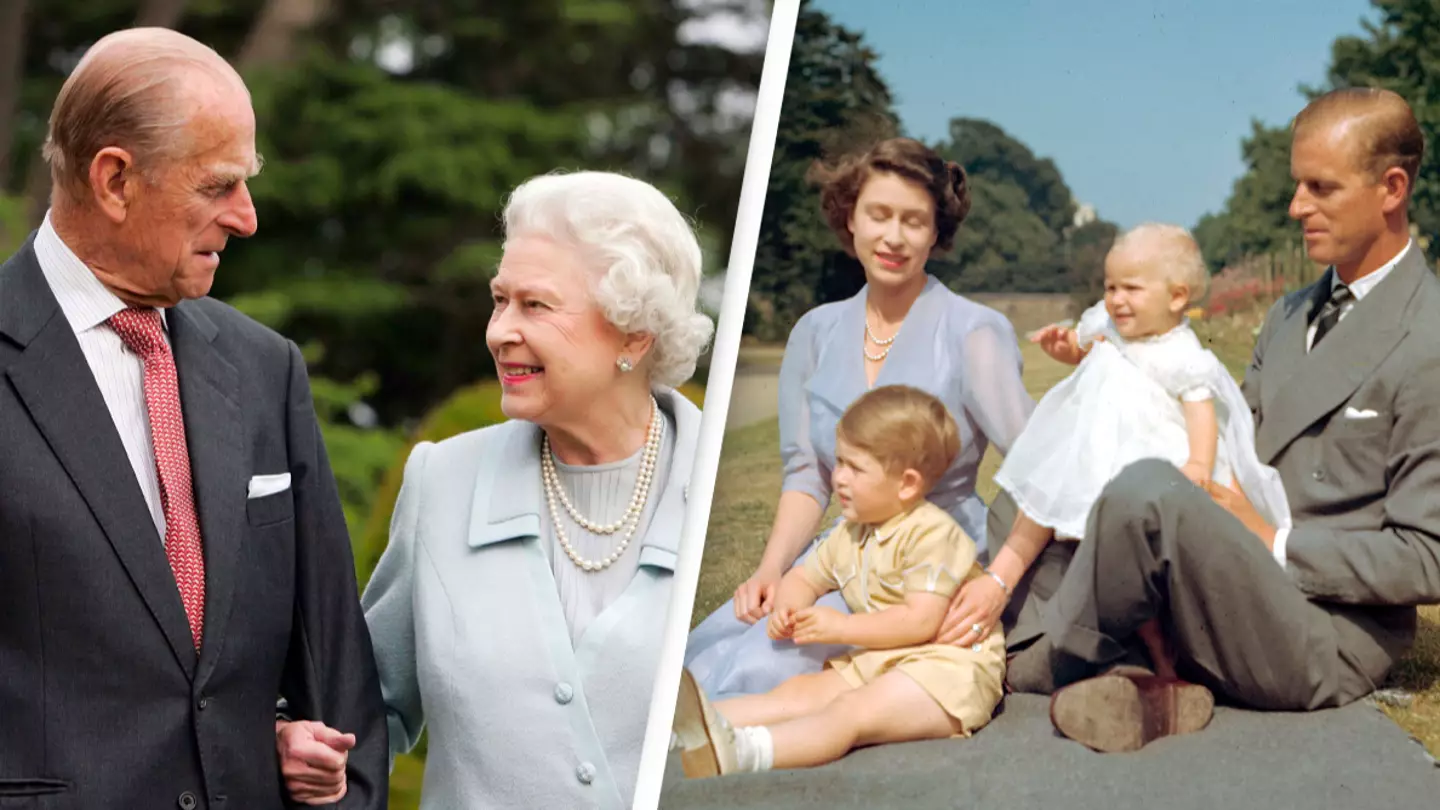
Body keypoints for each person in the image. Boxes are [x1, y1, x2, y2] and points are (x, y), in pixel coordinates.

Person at [0, 28, 387, 809]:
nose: (245, 218)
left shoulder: (264, 369)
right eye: (218, 187)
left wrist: (290, 744)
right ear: (115, 180)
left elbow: (335, 675)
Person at [998, 87, 1440, 754]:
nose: (1297, 208)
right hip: (1223, 571)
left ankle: (1034, 660)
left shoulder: (1429, 338)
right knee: (1032, 489)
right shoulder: (1290, 314)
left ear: (1392, 188)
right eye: (1298, 185)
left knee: (1142, 493)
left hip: (1320, 629)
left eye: (1320, 188)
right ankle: (1133, 673)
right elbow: (1225, 436)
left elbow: (1428, 558)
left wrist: (1271, 540)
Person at [277, 171, 714, 808]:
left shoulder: (721, 484)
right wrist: (298, 738)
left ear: (635, 334)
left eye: (535, 305)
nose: (499, 331)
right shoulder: (441, 482)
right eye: (498, 300)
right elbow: (361, 713)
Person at [684, 137, 1034, 699]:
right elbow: (806, 475)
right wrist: (771, 570)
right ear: (850, 218)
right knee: (720, 649)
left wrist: (1000, 582)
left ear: (936, 233)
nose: (894, 237)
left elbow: (1041, 469)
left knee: (767, 670)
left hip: (935, 562)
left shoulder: (975, 331)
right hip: (842, 555)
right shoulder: (814, 333)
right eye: (879, 214)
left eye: (914, 221)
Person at [989, 223, 1290, 702]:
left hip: (1152, 456)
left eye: (1131, 288)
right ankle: (1126, 652)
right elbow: (1084, 345)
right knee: (1097, 556)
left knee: (1144, 569)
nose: (1115, 299)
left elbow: (1201, 411)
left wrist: (1198, 462)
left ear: (1176, 298)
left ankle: (1165, 661)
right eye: (1110, 287)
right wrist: (1067, 349)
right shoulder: (1107, 327)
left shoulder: (1182, 354)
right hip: (1097, 452)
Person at [672, 385, 1007, 776]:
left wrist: (841, 626)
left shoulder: (931, 535)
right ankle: (689, 726)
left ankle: (748, 752)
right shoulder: (851, 532)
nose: (838, 478)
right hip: (885, 659)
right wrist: (789, 607)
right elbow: (805, 577)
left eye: (855, 467)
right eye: (839, 462)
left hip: (949, 669)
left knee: (849, 712)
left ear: (907, 484)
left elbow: (921, 621)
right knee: (798, 693)